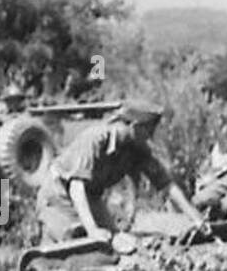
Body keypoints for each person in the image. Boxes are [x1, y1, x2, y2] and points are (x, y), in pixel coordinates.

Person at [36, 101, 207, 243]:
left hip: (91, 196)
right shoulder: (95, 139)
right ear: (134, 126)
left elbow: (166, 185)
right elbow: (76, 186)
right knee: (72, 247)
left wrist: (196, 217)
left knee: (115, 242)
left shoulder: (137, 148)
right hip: (59, 196)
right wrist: (92, 230)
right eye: (148, 131)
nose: (150, 137)